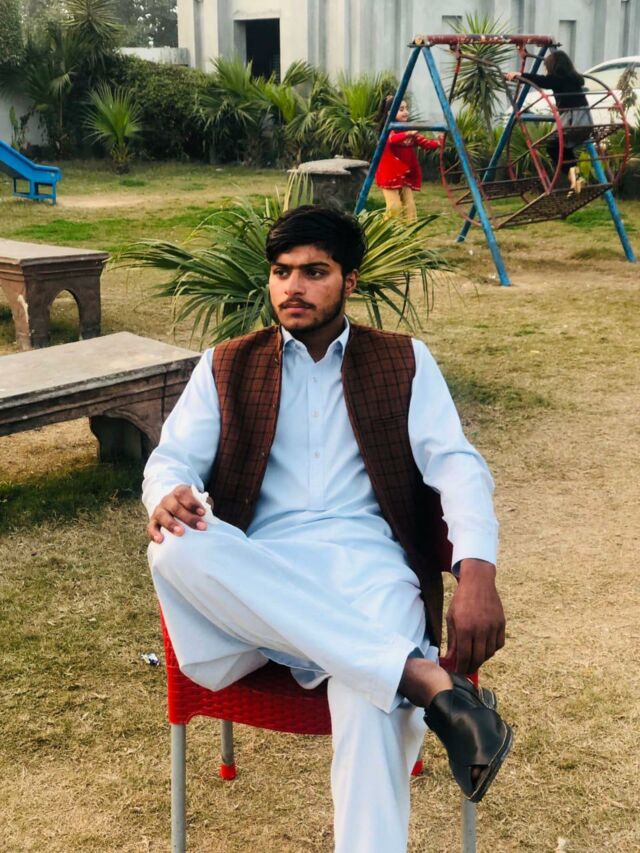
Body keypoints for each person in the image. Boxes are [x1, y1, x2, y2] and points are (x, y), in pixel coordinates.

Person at [143, 205, 512, 853]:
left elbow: (457, 464)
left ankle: (389, 670)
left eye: (314, 272)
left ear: (350, 280)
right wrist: (170, 492)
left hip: (369, 572)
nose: (293, 286)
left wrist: (477, 569)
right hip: (256, 583)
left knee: (370, 700)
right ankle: (420, 677)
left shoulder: (403, 360)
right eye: (282, 271)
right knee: (172, 544)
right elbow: (172, 459)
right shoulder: (226, 365)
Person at [506, 49, 593, 194]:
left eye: (547, 67)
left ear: (553, 67)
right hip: (586, 121)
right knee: (564, 147)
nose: (546, 71)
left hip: (572, 120)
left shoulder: (558, 78)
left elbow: (542, 81)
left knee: (552, 146)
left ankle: (573, 176)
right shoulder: (574, 77)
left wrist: (520, 75)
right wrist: (525, 56)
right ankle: (576, 178)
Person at [374, 96, 441, 221]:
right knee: (394, 207)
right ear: (390, 112)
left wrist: (439, 142)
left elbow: (425, 143)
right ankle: (388, 230)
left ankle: (409, 230)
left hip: (404, 173)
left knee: (409, 206)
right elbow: (391, 139)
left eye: (406, 108)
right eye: (401, 109)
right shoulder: (389, 129)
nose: (406, 112)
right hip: (389, 174)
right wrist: (408, 133)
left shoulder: (407, 129)